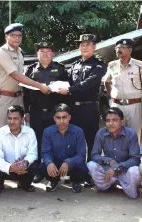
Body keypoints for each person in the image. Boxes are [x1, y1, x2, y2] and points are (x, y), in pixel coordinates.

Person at [58, 34, 106, 187]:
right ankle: (74, 172)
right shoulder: (75, 64)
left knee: (91, 141)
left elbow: (88, 83)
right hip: (73, 108)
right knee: (72, 141)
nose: (84, 47)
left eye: (88, 44)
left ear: (94, 46)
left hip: (89, 107)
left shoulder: (98, 65)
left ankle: (90, 174)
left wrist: (69, 90)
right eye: (82, 44)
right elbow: (65, 81)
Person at [23, 42, 70, 183]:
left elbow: (68, 91)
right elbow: (25, 93)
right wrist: (26, 111)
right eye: (42, 51)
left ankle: (57, 171)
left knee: (56, 141)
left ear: (53, 54)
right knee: (36, 141)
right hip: (36, 111)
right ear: (37, 54)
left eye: (48, 51)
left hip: (55, 113)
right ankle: (38, 171)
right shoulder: (30, 70)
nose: (45, 53)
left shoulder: (60, 69)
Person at [0, 23, 51, 131]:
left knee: (18, 130)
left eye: (19, 36)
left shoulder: (19, 52)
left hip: (19, 97)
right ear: (6, 37)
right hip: (4, 98)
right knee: (2, 130)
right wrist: (38, 85)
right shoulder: (2, 52)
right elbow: (15, 74)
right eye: (13, 35)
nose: (17, 38)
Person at [104, 39, 142, 144]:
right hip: (116, 105)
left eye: (121, 47)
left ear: (130, 50)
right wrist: (111, 97)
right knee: (115, 135)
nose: (118, 50)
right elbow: (106, 82)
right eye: (116, 48)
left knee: (133, 137)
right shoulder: (112, 65)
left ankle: (134, 159)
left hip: (134, 105)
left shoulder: (139, 65)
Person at [87, 107, 142, 198]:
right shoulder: (101, 133)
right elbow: (94, 155)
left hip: (125, 170)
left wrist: (116, 168)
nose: (110, 123)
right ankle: (108, 185)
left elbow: (135, 159)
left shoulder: (131, 134)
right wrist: (109, 161)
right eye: (108, 120)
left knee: (135, 171)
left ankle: (128, 187)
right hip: (108, 171)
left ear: (122, 122)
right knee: (90, 165)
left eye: (115, 120)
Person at [40, 103, 88, 193]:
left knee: (83, 168)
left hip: (72, 165)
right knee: (43, 167)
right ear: (54, 118)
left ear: (69, 117)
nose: (61, 121)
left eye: (64, 117)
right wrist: (49, 163)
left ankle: (75, 182)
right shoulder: (47, 132)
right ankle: (54, 180)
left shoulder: (78, 131)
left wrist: (68, 162)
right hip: (56, 164)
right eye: (58, 118)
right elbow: (45, 152)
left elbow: (81, 155)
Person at [0, 105, 38, 193]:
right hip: (6, 170)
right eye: (9, 118)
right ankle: (0, 185)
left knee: (34, 165)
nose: (11, 121)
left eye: (15, 118)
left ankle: (25, 184)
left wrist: (25, 162)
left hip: (23, 169)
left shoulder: (30, 132)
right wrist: (11, 167)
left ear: (22, 119)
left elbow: (33, 153)